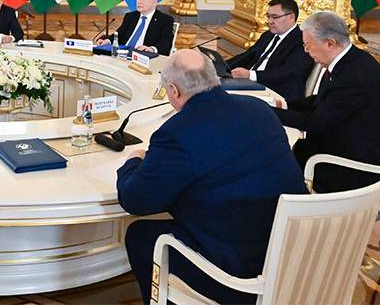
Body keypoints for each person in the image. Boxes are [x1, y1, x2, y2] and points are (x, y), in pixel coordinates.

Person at [117, 49, 306, 304]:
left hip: (237, 274)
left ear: (173, 91)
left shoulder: (177, 133)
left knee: (140, 235)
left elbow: (135, 200)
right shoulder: (259, 109)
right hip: (292, 255)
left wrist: (132, 161)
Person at [274, 11, 380, 193]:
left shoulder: (354, 74)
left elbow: (316, 123)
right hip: (345, 145)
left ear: (330, 43)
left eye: (308, 45)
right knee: (280, 153)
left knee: (276, 164)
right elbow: (322, 100)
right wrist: (285, 105)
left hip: (358, 167)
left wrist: (269, 113)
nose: (306, 51)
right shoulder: (350, 60)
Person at [226, 0, 314, 99]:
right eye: (268, 16)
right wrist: (222, 66)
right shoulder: (268, 35)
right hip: (250, 84)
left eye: (275, 17)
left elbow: (290, 72)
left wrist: (251, 75)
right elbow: (247, 56)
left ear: (291, 17)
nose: (269, 21)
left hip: (275, 92)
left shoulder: (301, 40)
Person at [95, 0, 174, 55]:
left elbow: (166, 43)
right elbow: (119, 34)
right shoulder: (131, 16)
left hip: (142, 57)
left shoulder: (165, 20)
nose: (139, 1)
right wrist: (107, 41)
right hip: (123, 54)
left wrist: (151, 49)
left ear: (154, 2)